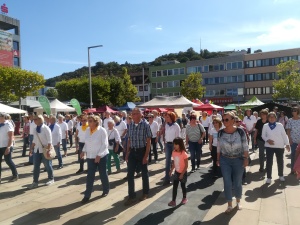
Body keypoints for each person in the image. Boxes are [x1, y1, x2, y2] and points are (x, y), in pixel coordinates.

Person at [217, 112, 249, 214]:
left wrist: (246, 158)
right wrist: (218, 159)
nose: (224, 122)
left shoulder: (240, 131)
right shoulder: (220, 133)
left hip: (238, 159)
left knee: (237, 181)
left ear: (233, 120)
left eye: (227, 119)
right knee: (227, 182)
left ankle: (238, 200)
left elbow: (245, 145)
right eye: (223, 120)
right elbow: (218, 147)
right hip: (225, 159)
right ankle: (229, 204)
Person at [124, 108, 152, 206]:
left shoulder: (145, 125)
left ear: (141, 115)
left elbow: (149, 141)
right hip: (133, 151)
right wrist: (127, 153)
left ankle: (145, 192)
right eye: (133, 113)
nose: (134, 115)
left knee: (144, 173)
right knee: (130, 174)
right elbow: (129, 140)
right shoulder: (130, 125)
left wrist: (146, 156)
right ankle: (131, 196)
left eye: (136, 113)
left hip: (142, 151)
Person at [80, 115, 109, 204]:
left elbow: (105, 144)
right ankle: (87, 195)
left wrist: (99, 155)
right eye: (88, 120)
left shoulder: (102, 130)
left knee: (102, 173)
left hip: (101, 156)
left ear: (96, 122)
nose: (89, 122)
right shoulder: (88, 130)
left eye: (91, 121)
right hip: (90, 156)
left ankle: (105, 190)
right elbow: (86, 142)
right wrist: (83, 151)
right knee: (90, 175)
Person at [262, 112, 290, 184]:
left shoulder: (280, 125)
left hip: (279, 146)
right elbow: (263, 136)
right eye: (270, 117)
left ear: (275, 118)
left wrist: (287, 144)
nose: (271, 118)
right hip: (269, 147)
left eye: (273, 117)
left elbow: (284, 135)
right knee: (269, 162)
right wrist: (267, 140)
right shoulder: (265, 126)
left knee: (280, 161)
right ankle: (268, 177)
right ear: (268, 118)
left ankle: (280, 175)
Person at [28, 114, 54, 189]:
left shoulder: (46, 128)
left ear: (40, 119)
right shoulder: (35, 129)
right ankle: (35, 182)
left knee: (48, 165)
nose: (34, 120)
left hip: (45, 150)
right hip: (37, 150)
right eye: (34, 119)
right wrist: (31, 149)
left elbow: (50, 141)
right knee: (36, 167)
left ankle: (51, 178)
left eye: (35, 119)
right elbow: (34, 141)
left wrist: (48, 150)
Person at [168, 137, 188, 207]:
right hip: (176, 172)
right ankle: (173, 201)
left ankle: (184, 198)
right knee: (175, 186)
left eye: (176, 144)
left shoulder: (184, 153)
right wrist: (171, 170)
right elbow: (174, 163)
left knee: (183, 186)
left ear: (180, 144)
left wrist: (182, 174)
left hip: (183, 173)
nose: (174, 145)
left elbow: (186, 166)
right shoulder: (173, 152)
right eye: (174, 144)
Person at [163, 111, 181, 185]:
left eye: (167, 117)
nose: (166, 118)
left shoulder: (176, 126)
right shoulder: (166, 125)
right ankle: (167, 179)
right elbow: (165, 136)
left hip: (174, 145)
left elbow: (178, 137)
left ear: (171, 117)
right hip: (168, 144)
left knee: (175, 161)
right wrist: (165, 145)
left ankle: (177, 176)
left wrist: (177, 147)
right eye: (166, 117)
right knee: (167, 162)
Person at [0, 113, 18, 183]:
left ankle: (15, 175)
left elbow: (11, 137)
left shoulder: (8, 124)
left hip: (6, 146)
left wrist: (8, 147)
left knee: (8, 161)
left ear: (3, 117)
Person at [285, 107, 300, 175]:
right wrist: (290, 139)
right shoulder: (290, 120)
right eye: (293, 111)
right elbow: (288, 130)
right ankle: (293, 169)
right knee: (293, 154)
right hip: (293, 141)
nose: (293, 112)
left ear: (298, 111)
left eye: (295, 110)